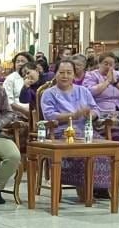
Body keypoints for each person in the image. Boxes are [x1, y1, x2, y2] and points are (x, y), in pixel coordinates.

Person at [41, 58, 110, 198]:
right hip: (62, 132)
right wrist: (73, 115)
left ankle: (100, 188)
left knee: (104, 151)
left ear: (74, 74)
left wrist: (92, 115)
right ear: (55, 74)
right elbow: (49, 115)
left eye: (69, 72)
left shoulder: (83, 91)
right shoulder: (48, 93)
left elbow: (96, 109)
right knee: (81, 154)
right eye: (61, 72)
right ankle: (85, 191)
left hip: (86, 130)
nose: (65, 76)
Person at [84, 52, 119, 142]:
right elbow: (90, 92)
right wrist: (107, 81)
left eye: (111, 64)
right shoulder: (91, 75)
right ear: (99, 64)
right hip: (101, 109)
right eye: (106, 64)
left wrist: (115, 82)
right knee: (110, 124)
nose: (108, 67)